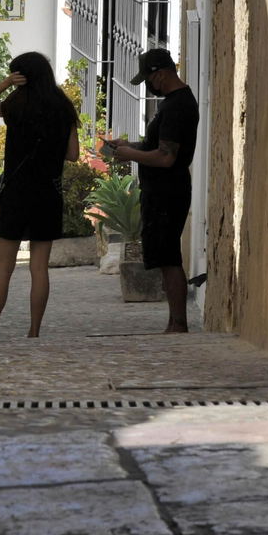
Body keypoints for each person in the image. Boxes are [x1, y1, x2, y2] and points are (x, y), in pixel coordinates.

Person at [0, 52, 79, 339]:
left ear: (21, 76)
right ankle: (34, 331)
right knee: (39, 268)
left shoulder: (14, 103)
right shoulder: (64, 108)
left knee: (3, 268)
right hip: (48, 193)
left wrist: (7, 82)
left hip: (17, 193)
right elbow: (72, 154)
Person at [105, 48, 199, 334]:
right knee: (163, 257)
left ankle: (178, 324)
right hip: (162, 192)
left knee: (169, 259)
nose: (148, 84)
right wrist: (129, 146)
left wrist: (130, 155)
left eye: (148, 78)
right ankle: (174, 322)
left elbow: (166, 157)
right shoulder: (173, 102)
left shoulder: (176, 105)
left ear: (160, 73)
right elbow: (157, 148)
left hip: (167, 193)